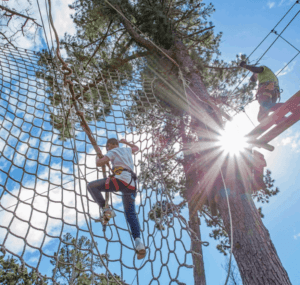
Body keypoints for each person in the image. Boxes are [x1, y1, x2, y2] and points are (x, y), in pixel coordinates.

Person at [87, 138, 146, 259]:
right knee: (130, 213)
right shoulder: (127, 149)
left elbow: (99, 163)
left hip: (121, 181)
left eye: (108, 147)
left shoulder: (113, 151)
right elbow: (137, 148)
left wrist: (99, 157)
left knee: (91, 186)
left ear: (110, 146)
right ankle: (138, 242)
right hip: (132, 184)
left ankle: (106, 209)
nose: (107, 149)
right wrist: (127, 142)